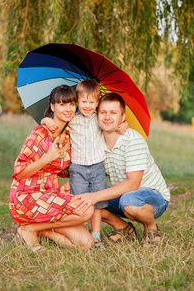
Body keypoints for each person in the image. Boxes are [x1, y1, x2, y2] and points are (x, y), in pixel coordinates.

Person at [72, 93, 170, 247]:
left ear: (123, 117)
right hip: (122, 195)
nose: (107, 117)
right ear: (96, 115)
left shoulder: (132, 140)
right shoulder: (96, 142)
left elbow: (133, 185)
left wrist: (95, 196)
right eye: (103, 112)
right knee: (80, 198)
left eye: (113, 113)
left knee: (128, 201)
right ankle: (123, 228)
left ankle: (151, 228)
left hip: (153, 196)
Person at [42, 80, 128, 248]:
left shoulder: (99, 117)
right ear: (76, 102)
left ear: (97, 103)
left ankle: (95, 235)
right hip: (78, 168)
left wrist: (125, 124)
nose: (87, 105)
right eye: (83, 101)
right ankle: (81, 232)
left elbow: (116, 121)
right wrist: (46, 121)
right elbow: (51, 121)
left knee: (97, 204)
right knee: (79, 203)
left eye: (92, 102)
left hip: (97, 167)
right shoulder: (72, 118)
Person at [9, 85, 94, 252]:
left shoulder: (70, 136)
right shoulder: (39, 134)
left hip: (50, 197)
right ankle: (31, 228)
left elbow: (63, 170)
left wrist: (78, 175)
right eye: (62, 104)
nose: (68, 109)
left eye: (71, 104)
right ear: (53, 107)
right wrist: (47, 158)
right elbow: (18, 173)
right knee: (87, 209)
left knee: (86, 243)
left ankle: (34, 229)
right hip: (26, 198)